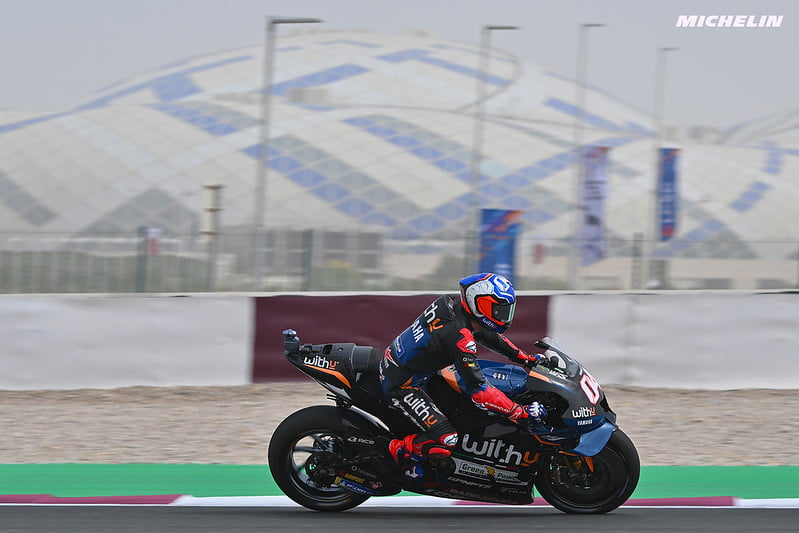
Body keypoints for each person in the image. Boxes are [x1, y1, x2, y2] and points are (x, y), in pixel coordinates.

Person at [379, 272, 549, 476]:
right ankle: (398, 451)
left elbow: (486, 334)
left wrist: (525, 359)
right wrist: (518, 412)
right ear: (479, 305)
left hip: (410, 366)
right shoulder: (460, 337)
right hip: (403, 385)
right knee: (447, 439)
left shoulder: (451, 304)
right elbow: (478, 389)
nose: (504, 316)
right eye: (498, 309)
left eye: (506, 310)